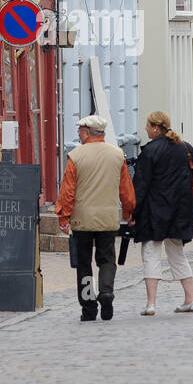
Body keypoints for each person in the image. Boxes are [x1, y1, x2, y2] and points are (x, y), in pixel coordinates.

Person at [55, 114, 135, 322]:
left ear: (87, 132)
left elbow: (67, 191)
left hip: (82, 219)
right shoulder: (117, 155)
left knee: (83, 263)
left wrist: (63, 216)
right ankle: (106, 292)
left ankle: (89, 307)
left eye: (80, 131)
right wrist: (128, 213)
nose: (78, 134)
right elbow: (125, 190)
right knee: (107, 258)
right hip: (108, 218)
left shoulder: (76, 156)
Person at [131, 110, 193, 316]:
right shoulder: (184, 147)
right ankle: (191, 299)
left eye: (147, 126)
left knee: (151, 254)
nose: (145, 129)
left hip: (155, 212)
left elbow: (141, 185)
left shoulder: (150, 151)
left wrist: (132, 212)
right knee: (177, 255)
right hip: (180, 211)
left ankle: (151, 303)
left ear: (155, 127)